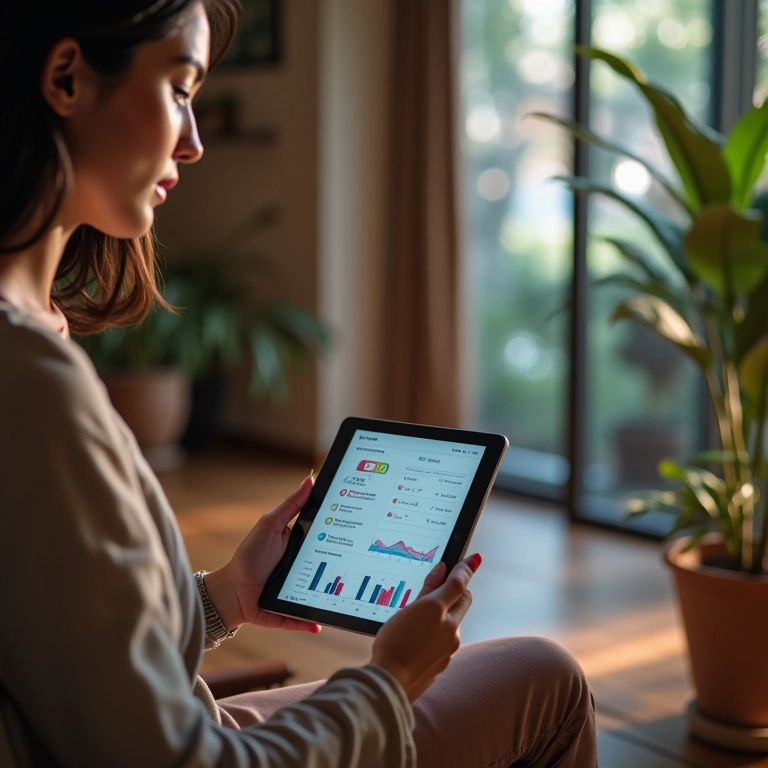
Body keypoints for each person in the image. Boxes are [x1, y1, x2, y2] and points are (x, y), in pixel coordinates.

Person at [0, 1, 598, 765]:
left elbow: (54, 639)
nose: (194, 141)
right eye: (179, 89)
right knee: (550, 679)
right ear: (66, 78)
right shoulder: (30, 382)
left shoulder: (32, 346)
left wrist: (221, 597)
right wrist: (390, 681)